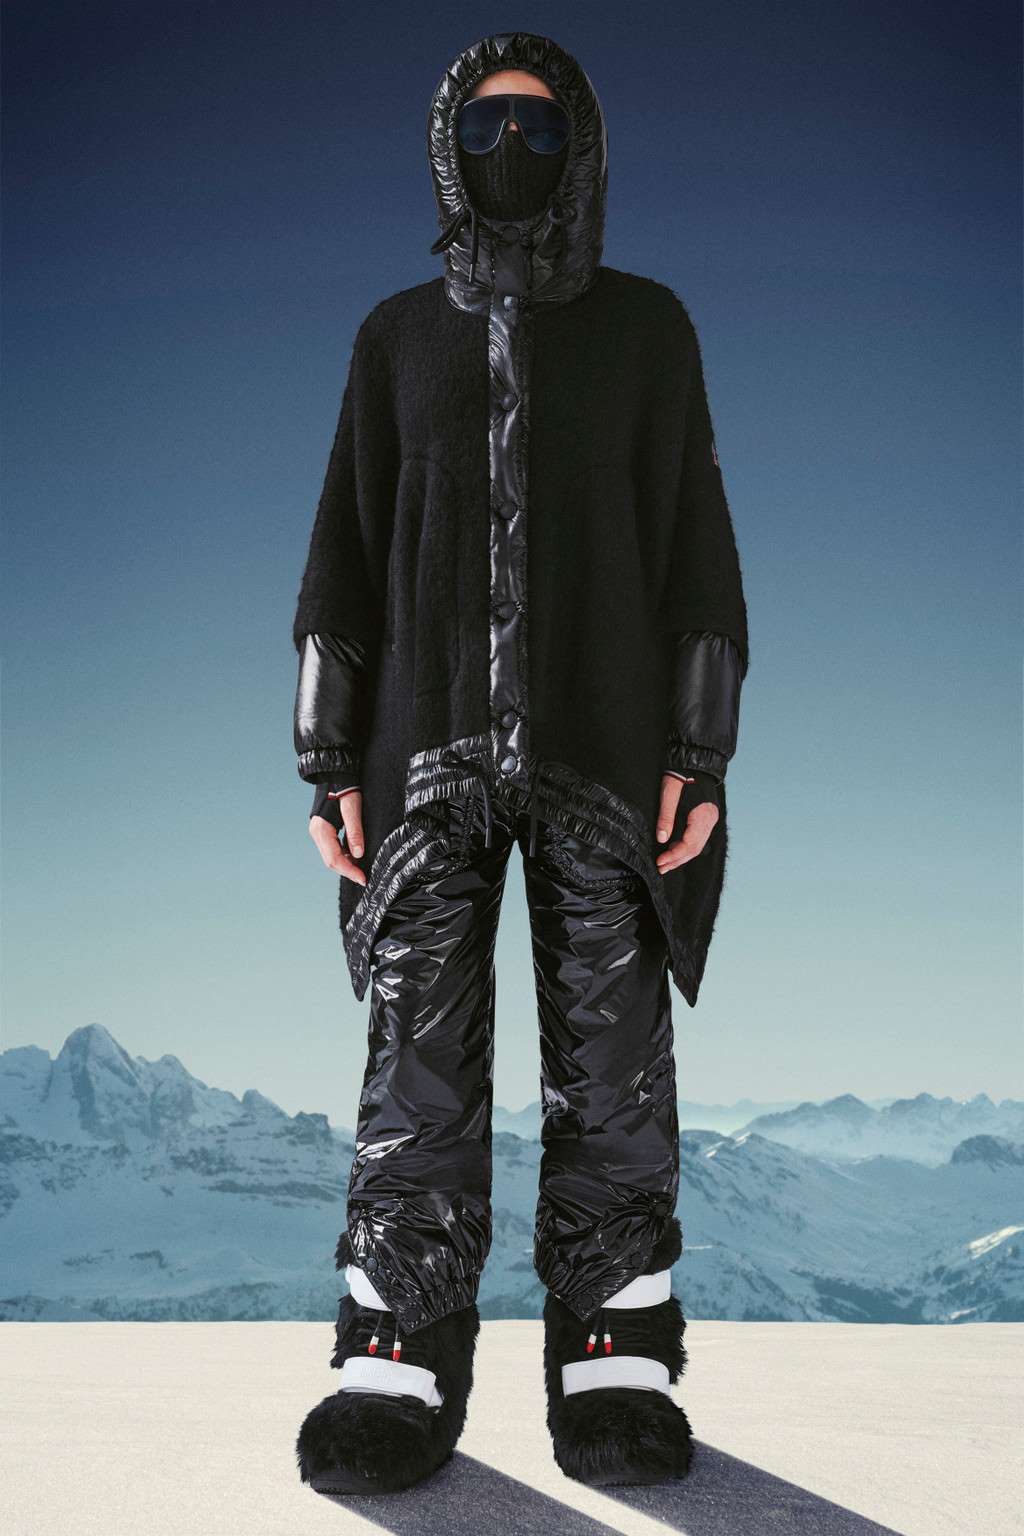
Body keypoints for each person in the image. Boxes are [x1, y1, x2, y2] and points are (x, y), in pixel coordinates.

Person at [292, 30, 749, 1495]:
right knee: (417, 1060)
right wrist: (326, 753)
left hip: (605, 748)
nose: (510, 149)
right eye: (485, 125)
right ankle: (397, 1359)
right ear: (447, 147)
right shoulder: (394, 339)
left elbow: (695, 546)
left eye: (540, 128)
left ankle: (613, 1360)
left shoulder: (648, 329)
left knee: (612, 1060)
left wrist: (697, 747)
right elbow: (345, 546)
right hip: (421, 749)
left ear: (583, 149)